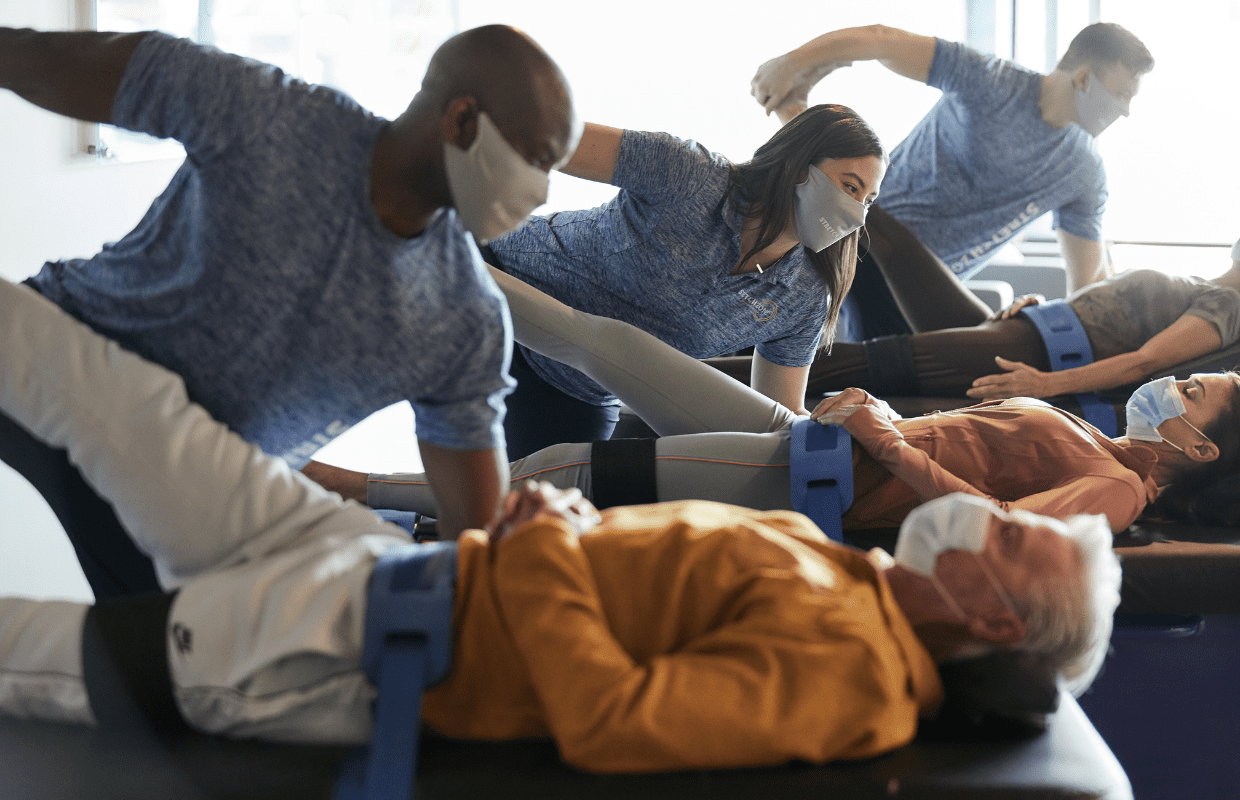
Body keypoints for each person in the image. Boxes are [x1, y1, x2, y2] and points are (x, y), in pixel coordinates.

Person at [0, 276, 1119, 773]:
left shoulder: (853, 679)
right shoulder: (852, 584)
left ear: (986, 609)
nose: (988, 516)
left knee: (25, 648)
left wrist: (540, 544)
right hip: (382, 564)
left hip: (341, 647)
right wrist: (566, 525)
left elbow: (608, 716)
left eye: (1011, 536)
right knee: (122, 397)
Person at [0, 24, 579, 596]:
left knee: (156, 678)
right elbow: (48, 57)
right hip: (65, 351)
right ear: (462, 122)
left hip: (184, 489)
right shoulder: (272, 116)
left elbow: (471, 538)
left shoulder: (464, 320)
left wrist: (519, 554)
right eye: (539, 158)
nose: (544, 191)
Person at [342, 267, 1240, 536]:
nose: (1173, 385)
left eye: (1194, 394)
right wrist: (878, 415)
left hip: (816, 478)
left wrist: (889, 442)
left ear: (1200, 452)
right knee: (611, 346)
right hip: (816, 440)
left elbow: (999, 528)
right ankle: (444, 257)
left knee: (562, 470)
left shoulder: (1120, 494)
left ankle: (363, 491)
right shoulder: (1102, 446)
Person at [480, 103, 886, 457]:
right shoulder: (691, 174)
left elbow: (773, 418)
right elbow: (547, 140)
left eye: (867, 200)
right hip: (498, 281)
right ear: (800, 165)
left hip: (573, 389)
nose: (857, 213)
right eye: (850, 186)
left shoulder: (805, 296)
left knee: (530, 522)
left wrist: (843, 425)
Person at [750, 22, 1154, 338]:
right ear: (1083, 79)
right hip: (864, 230)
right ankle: (796, 116)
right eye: (1121, 95)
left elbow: (1085, 282)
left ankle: (796, 115)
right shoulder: (992, 82)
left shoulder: (1084, 171)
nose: (1126, 111)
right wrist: (790, 63)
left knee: (935, 354)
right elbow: (881, 40)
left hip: (924, 289)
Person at [706, 211, 1240, 402]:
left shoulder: (1229, 307)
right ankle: (715, 278)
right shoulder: (1205, 286)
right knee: (876, 226)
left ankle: (664, 371)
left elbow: (1146, 364)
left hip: (1028, 355)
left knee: (847, 365)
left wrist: (1044, 385)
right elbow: (1113, 319)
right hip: (1026, 328)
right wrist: (1050, 307)